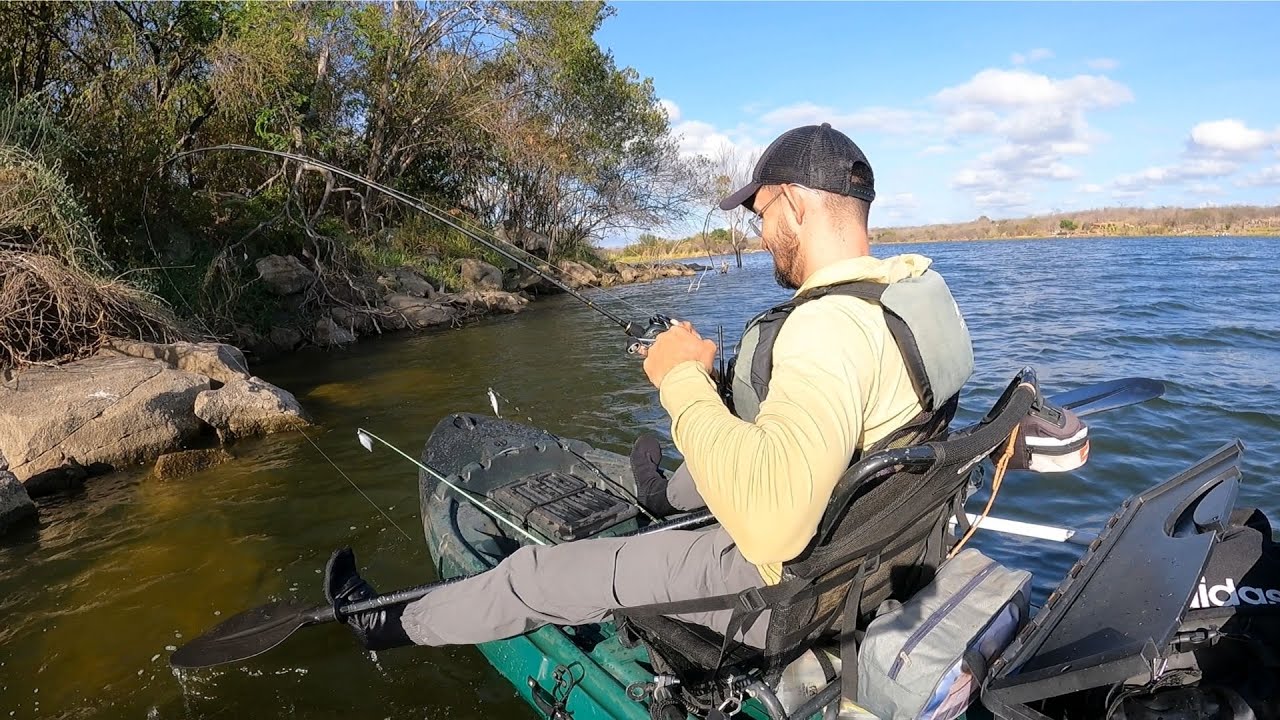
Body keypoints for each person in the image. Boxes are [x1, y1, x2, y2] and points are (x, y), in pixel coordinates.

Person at [325, 122, 974, 655]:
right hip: (871, 556)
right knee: (707, 458)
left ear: (795, 204)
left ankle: (382, 626)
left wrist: (680, 377)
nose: (756, 228)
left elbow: (773, 524)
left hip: (788, 593)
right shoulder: (913, 296)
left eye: (759, 210)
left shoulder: (825, 327)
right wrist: (720, 388)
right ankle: (662, 497)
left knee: (539, 575)